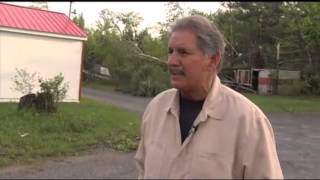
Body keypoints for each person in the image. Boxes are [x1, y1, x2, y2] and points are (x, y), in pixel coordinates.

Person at [134, 15, 283, 179]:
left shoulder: (248, 121)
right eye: (171, 51)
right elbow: (143, 169)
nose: (171, 61)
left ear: (213, 60)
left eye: (183, 52)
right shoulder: (156, 109)